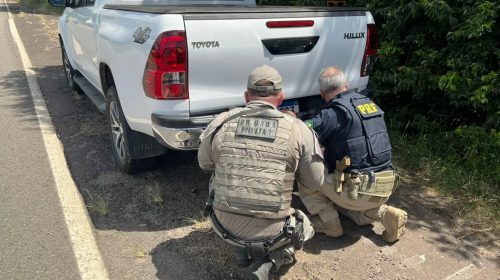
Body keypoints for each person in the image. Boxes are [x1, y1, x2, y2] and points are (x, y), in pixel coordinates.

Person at [198, 65, 325, 279]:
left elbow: (204, 164)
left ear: (247, 96)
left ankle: (240, 247)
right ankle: (270, 261)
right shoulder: (298, 129)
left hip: (222, 226)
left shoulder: (222, 122)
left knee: (217, 175)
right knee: (306, 225)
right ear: (281, 97)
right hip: (272, 233)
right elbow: (316, 182)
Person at [298, 66, 407, 243]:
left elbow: (302, 132)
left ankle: (330, 224)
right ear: (346, 85)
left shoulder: (331, 113)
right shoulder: (368, 103)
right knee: (348, 205)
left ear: (322, 93)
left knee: (306, 169)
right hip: (385, 186)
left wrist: (292, 118)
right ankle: (383, 213)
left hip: (356, 190)